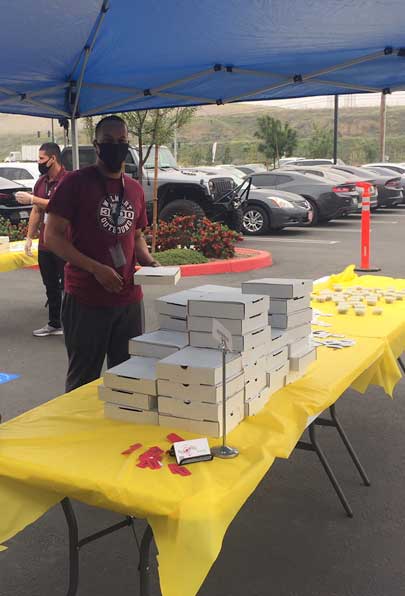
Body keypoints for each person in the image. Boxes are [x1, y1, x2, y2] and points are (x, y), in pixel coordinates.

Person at [45, 115, 159, 392]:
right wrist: (96, 268)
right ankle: (77, 434)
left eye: (121, 141)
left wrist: (151, 261)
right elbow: (52, 237)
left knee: (129, 380)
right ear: (96, 145)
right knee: (83, 382)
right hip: (86, 299)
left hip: (129, 299)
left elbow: (137, 235)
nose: (115, 146)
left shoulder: (133, 188)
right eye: (108, 141)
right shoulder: (75, 183)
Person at [16, 142, 66, 336]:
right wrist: (29, 237)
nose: (39, 162)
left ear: (53, 159)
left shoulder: (68, 180)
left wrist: (32, 199)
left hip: (65, 243)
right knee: (50, 284)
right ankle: (54, 323)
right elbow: (37, 211)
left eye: (41, 159)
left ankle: (71, 322)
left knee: (68, 285)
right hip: (46, 243)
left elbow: (59, 205)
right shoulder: (41, 182)